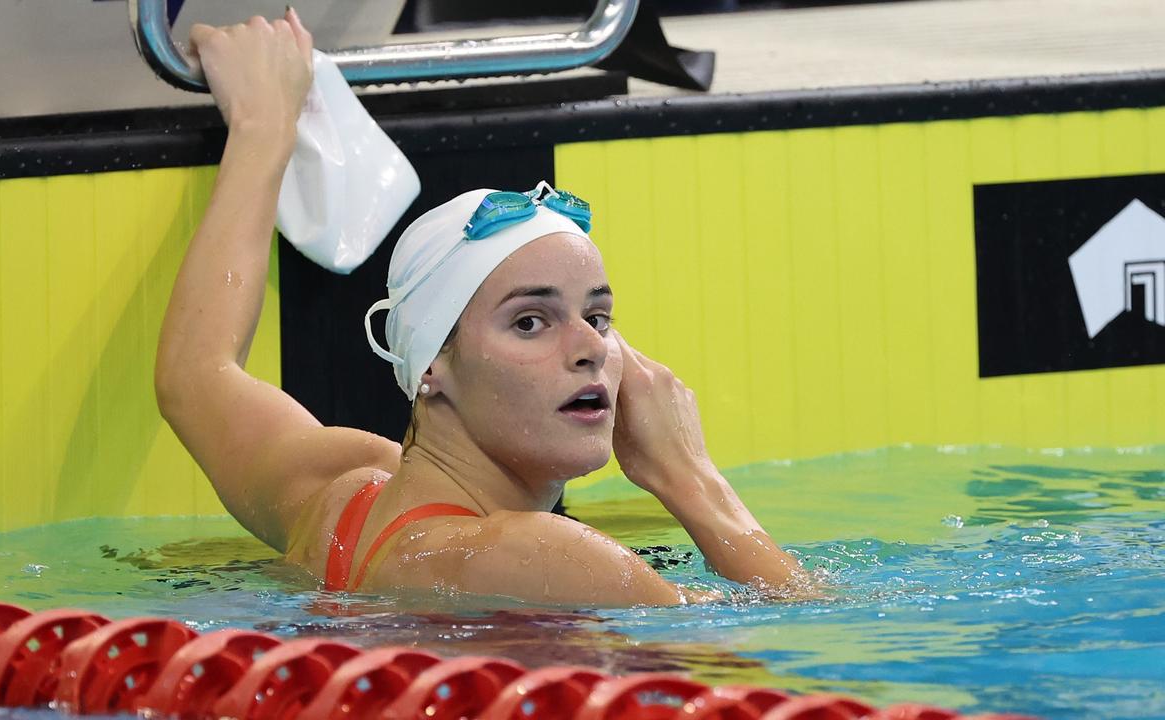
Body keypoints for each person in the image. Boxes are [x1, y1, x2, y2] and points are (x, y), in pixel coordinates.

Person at [156, 8, 818, 607]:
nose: (589, 346)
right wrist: (692, 479)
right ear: (429, 367)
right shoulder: (542, 555)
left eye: (598, 317)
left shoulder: (341, 495)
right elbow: (805, 647)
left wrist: (263, 125)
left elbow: (195, 375)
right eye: (530, 321)